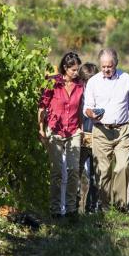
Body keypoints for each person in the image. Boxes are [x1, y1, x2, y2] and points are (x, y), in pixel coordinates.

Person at [83, 48, 129, 211]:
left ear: (116, 63)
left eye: (110, 66)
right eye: (103, 66)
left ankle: (121, 206)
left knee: (122, 167)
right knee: (103, 170)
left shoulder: (126, 79)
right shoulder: (93, 82)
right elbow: (86, 108)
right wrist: (91, 113)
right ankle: (105, 207)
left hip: (122, 130)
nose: (106, 69)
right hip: (101, 131)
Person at [38, 52, 84, 219]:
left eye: (77, 69)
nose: (76, 73)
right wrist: (41, 129)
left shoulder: (80, 86)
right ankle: (56, 209)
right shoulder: (53, 83)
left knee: (73, 170)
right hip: (54, 130)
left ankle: (71, 209)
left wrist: (80, 128)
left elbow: (79, 108)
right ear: (65, 68)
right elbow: (42, 107)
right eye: (73, 70)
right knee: (57, 171)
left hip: (73, 131)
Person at [78, 63, 99, 214]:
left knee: (95, 175)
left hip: (97, 137)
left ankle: (91, 208)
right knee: (75, 173)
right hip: (80, 137)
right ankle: (73, 206)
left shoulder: (101, 96)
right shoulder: (78, 95)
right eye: (86, 81)